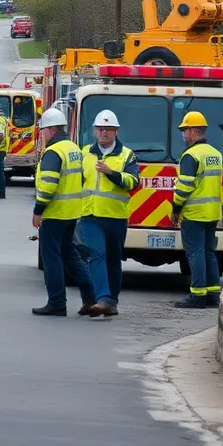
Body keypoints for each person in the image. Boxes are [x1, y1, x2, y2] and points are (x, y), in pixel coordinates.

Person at [31, 107, 96, 316]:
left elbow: (49, 185)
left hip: (54, 213)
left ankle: (57, 302)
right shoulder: (73, 148)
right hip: (71, 213)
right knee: (71, 255)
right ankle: (90, 298)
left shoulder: (54, 151)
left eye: (43, 131)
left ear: (51, 129)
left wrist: (38, 209)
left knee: (52, 258)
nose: (42, 134)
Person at [79, 110, 140, 317]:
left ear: (116, 132)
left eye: (108, 129)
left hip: (115, 217)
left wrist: (111, 173)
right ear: (95, 131)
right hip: (90, 215)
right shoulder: (85, 153)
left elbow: (133, 182)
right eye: (100, 129)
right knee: (96, 254)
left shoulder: (127, 155)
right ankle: (102, 298)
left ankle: (111, 302)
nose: (103, 132)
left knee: (114, 259)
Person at [171, 111, 223, 309]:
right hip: (212, 213)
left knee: (196, 253)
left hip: (194, 214)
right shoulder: (215, 154)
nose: (184, 135)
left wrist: (176, 208)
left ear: (193, 131)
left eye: (185, 131)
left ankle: (198, 294)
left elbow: (184, 186)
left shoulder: (190, 156)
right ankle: (212, 294)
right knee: (209, 252)